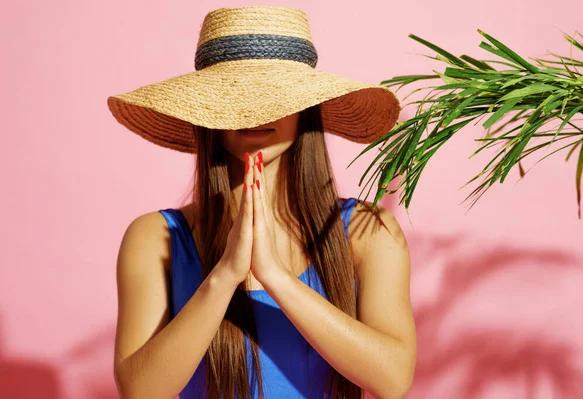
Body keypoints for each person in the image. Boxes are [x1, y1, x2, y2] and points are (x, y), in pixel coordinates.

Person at [107, 5, 416, 399]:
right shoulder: (155, 237)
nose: (253, 114)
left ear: (307, 106)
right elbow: (140, 390)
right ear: (205, 110)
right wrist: (224, 276)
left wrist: (276, 276)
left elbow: (393, 379)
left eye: (274, 96)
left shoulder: (366, 231)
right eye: (232, 95)